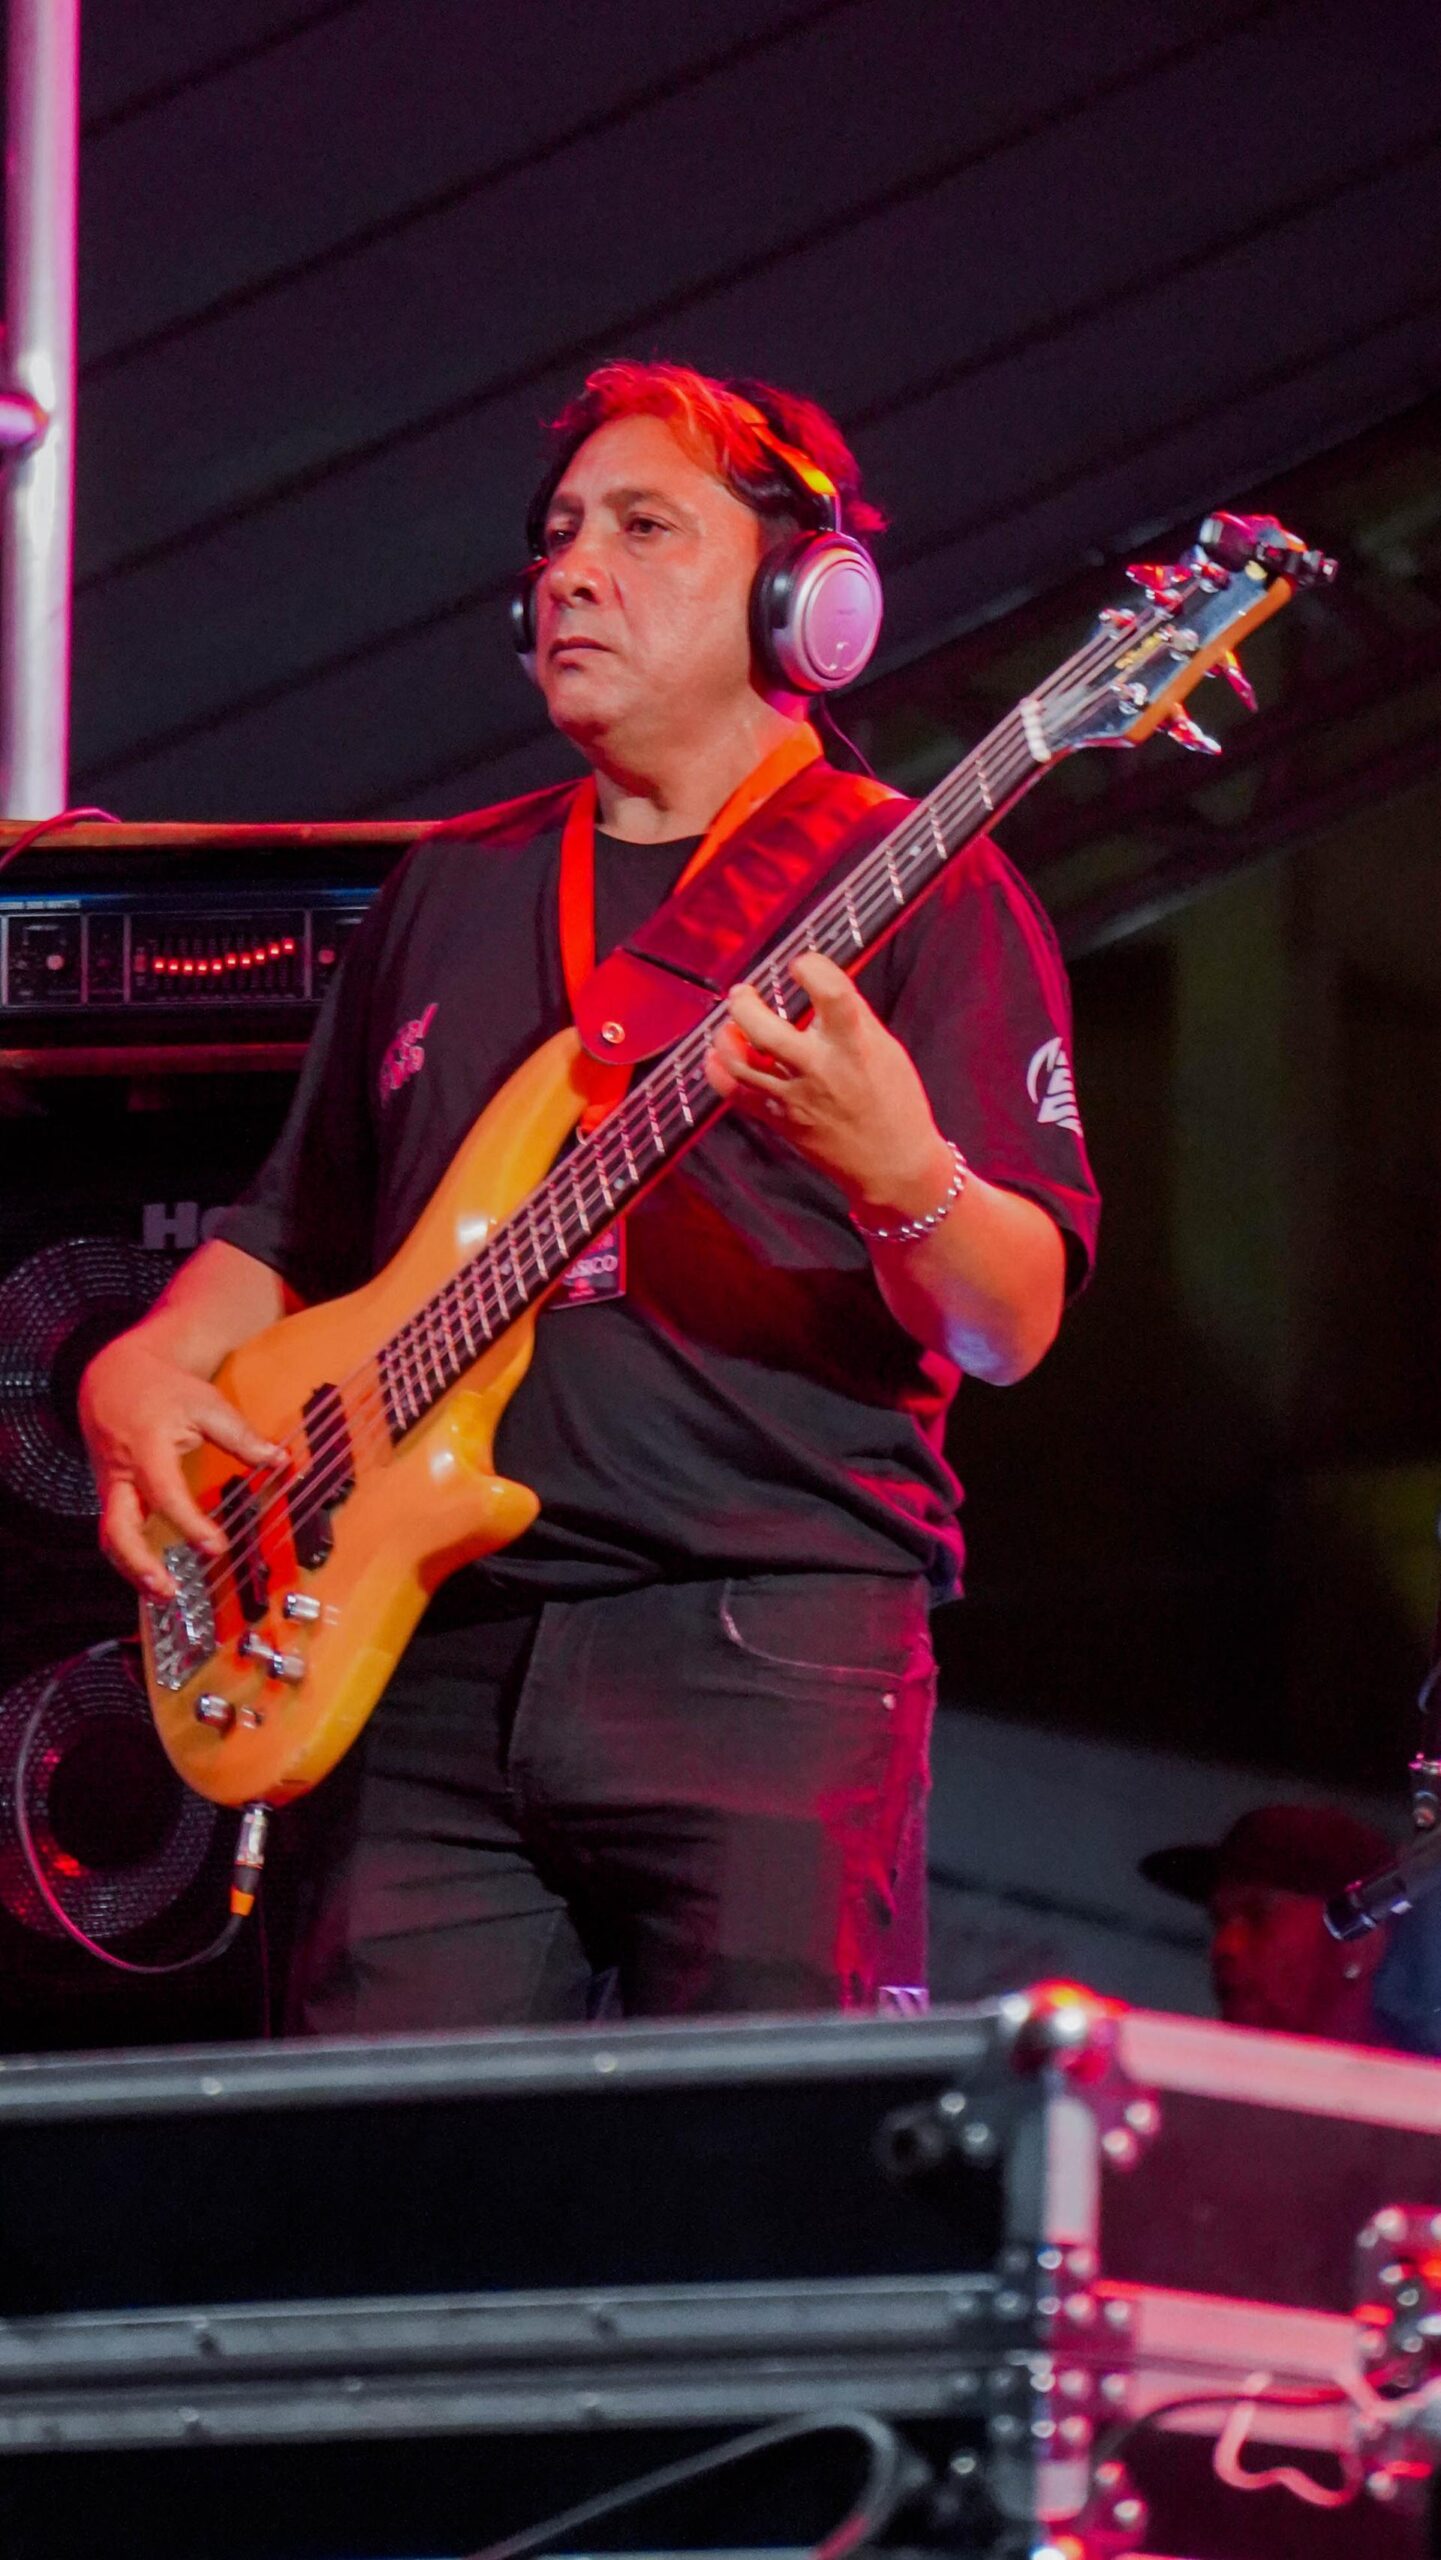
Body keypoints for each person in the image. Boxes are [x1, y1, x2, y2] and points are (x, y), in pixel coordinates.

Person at [79, 361, 1099, 2033]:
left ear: (801, 602)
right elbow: (285, 1235)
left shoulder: (920, 884)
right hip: (418, 1653)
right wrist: (145, 1366)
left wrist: (902, 1172)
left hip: (762, 1649)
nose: (571, 572)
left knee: (736, 2179)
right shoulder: (450, 886)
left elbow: (1012, 1322)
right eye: (557, 536)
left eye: (642, 528)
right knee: (380, 2182)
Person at [1140, 1803, 1400, 2043]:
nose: (1225, 1947)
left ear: (1358, 1945)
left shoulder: (1416, 2076)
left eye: (1258, 1916)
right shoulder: (1183, 2072)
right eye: (1219, 1922)